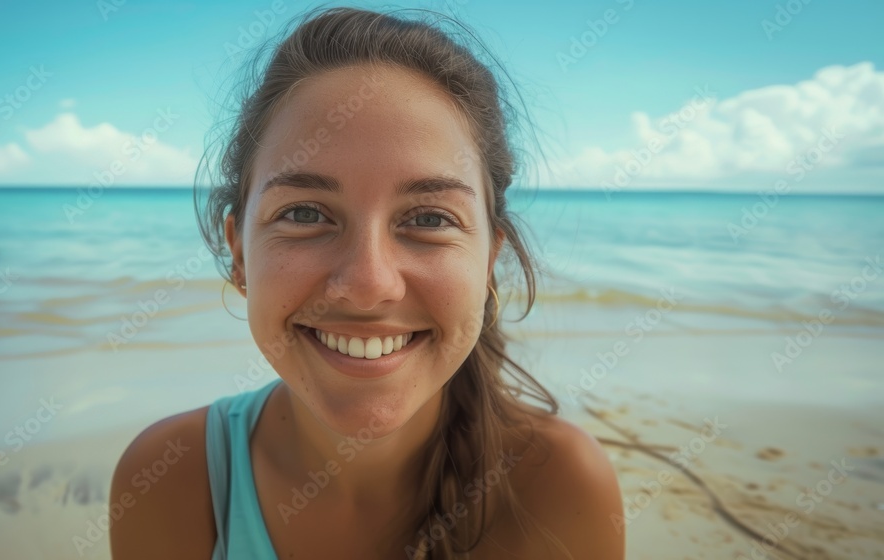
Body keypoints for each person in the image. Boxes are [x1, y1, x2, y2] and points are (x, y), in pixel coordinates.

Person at [110, 7, 624, 559]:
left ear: (489, 261)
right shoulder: (175, 476)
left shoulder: (560, 485)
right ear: (239, 254)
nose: (367, 284)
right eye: (305, 214)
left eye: (429, 219)